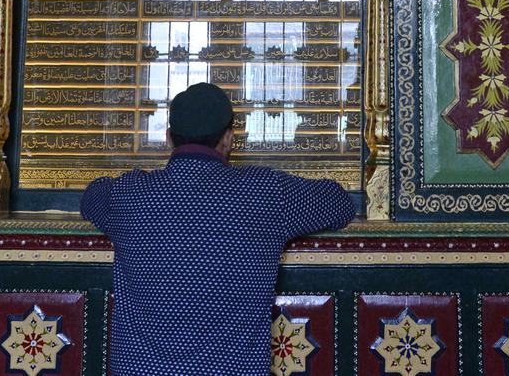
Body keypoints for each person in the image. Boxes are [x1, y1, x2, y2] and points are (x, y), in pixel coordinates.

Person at [81, 82, 355, 376]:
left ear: (169, 137)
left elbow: (91, 198)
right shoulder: (265, 194)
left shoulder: (129, 195)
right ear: (228, 139)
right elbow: (340, 204)